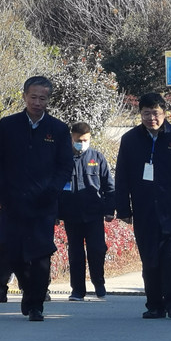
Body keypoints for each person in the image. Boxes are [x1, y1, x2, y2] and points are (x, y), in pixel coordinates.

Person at [0, 76, 73, 322]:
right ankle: (28, 290)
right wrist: (0, 192)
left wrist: (52, 191)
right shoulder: (8, 125)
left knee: (41, 255)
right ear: (24, 96)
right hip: (12, 202)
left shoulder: (58, 129)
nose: (37, 102)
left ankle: (36, 305)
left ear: (48, 100)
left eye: (42, 98)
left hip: (43, 203)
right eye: (33, 97)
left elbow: (65, 166)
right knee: (13, 252)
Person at [115, 92, 171, 319]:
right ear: (140, 114)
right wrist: (123, 209)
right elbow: (122, 176)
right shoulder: (130, 139)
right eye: (146, 113)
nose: (151, 118)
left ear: (164, 113)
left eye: (155, 113)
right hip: (144, 210)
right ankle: (154, 304)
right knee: (149, 259)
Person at [58, 122, 115, 302]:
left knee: (97, 250)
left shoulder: (97, 157)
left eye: (85, 140)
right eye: (78, 140)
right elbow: (54, 187)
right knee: (75, 254)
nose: (82, 143)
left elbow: (109, 186)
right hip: (71, 214)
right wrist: (55, 213)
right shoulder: (62, 158)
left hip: (94, 214)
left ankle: (99, 284)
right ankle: (77, 290)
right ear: (71, 138)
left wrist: (110, 209)